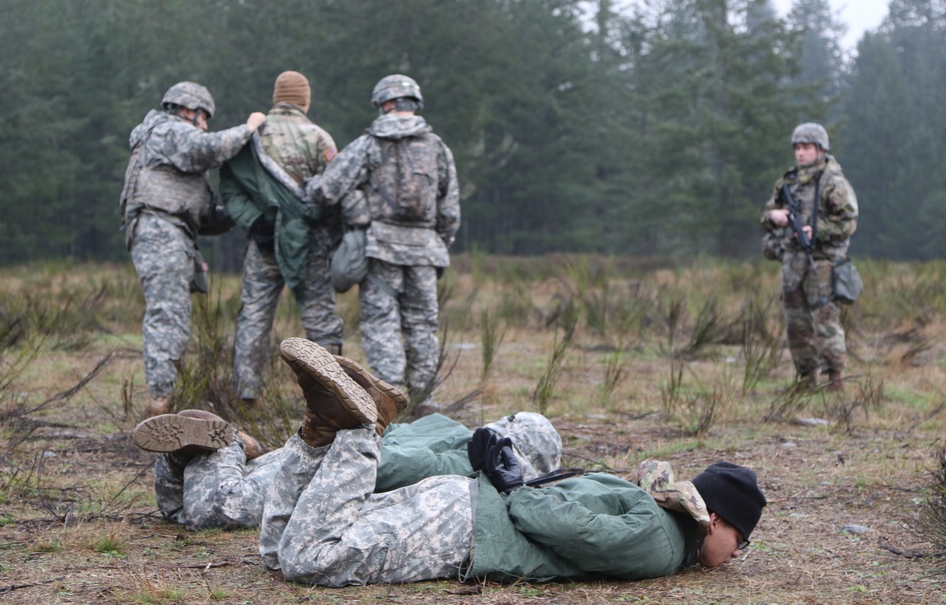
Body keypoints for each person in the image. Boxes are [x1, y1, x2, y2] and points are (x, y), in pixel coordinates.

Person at [252, 338, 765, 586]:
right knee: (310, 559)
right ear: (713, 519)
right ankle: (357, 432)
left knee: (278, 550)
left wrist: (509, 482)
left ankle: (318, 434)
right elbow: (571, 530)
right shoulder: (659, 545)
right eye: (740, 538)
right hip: (467, 528)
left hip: (464, 504)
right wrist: (515, 486)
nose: (738, 551)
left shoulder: (647, 508)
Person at [133, 385, 561, 531]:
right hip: (323, 471)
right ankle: (226, 443)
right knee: (219, 509)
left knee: (179, 511)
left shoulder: (449, 430)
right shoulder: (472, 460)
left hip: (311, 452)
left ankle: (186, 457)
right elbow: (390, 466)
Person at [305, 75, 460, 409]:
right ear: (413, 104)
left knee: (381, 324)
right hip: (426, 250)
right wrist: (438, 244)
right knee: (422, 327)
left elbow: (327, 189)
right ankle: (425, 402)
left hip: (380, 251)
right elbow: (449, 209)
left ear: (386, 105)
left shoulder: (369, 144)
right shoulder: (437, 148)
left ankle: (393, 402)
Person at [119, 82, 266, 417]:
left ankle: (163, 397)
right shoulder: (167, 131)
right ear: (188, 111)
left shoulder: (168, 146)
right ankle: (160, 404)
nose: (205, 126)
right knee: (168, 315)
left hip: (173, 232)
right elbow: (212, 148)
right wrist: (251, 126)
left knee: (174, 315)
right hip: (161, 231)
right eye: (204, 119)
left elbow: (203, 217)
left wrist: (241, 213)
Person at [219, 71, 343, 408]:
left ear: (277, 97)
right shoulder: (318, 137)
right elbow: (336, 189)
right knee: (320, 317)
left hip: (263, 242)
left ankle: (247, 394)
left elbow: (229, 186)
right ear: (305, 99)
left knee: (255, 315)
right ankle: (331, 396)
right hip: (310, 243)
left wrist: (254, 222)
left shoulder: (251, 135)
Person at [761, 123, 859, 390]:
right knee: (796, 324)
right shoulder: (787, 181)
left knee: (825, 321)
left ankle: (835, 380)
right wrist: (774, 216)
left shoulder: (833, 182)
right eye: (797, 148)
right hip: (792, 263)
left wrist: (816, 231)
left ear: (820, 149)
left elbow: (848, 222)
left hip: (822, 263)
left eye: (806, 148)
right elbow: (767, 214)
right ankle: (805, 379)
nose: (800, 153)